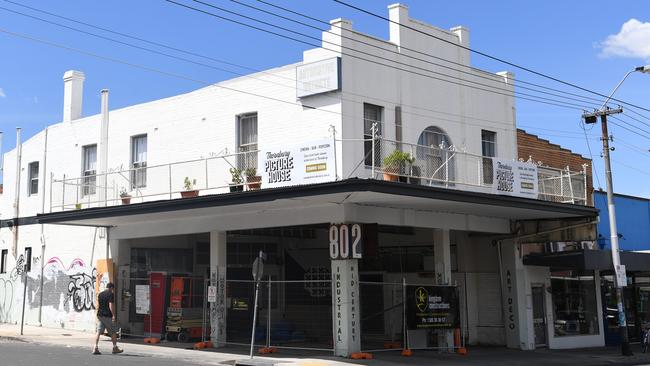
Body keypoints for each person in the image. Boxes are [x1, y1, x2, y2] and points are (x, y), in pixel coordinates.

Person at [92, 282, 123, 355]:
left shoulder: (100, 294)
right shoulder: (110, 294)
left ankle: (95, 347)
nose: (113, 290)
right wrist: (114, 315)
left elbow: (99, 304)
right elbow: (110, 305)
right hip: (107, 316)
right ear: (111, 288)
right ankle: (115, 348)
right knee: (113, 332)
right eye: (113, 289)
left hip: (100, 315)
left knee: (98, 332)